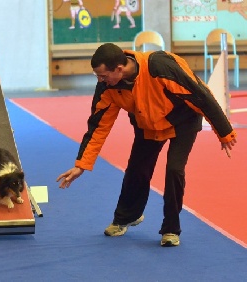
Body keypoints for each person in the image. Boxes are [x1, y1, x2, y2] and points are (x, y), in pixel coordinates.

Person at [56, 43, 237, 247]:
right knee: (136, 170)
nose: (100, 80)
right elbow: (98, 126)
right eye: (98, 76)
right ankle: (126, 217)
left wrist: (224, 132)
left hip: (183, 122)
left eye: (103, 75)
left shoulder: (160, 67)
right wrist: (82, 164)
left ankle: (170, 230)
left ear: (119, 69)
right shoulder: (108, 87)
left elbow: (200, 95)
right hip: (148, 125)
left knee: (174, 170)